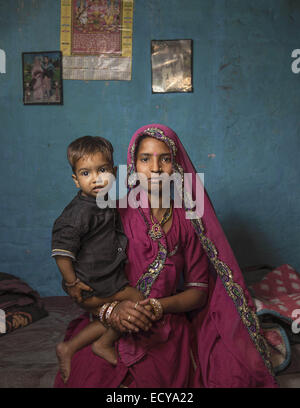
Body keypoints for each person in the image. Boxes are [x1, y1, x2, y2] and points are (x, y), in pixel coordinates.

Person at [54, 124, 278, 388]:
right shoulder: (111, 214)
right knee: (92, 377)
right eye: (145, 159)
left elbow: (198, 291)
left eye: (165, 159)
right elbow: (82, 282)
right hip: (112, 323)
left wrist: (159, 306)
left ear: (178, 166)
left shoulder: (189, 220)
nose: (156, 168)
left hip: (166, 326)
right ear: (133, 165)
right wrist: (113, 311)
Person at [52, 136, 155, 384]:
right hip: (92, 282)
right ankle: (102, 343)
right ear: (76, 180)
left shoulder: (104, 201)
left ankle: (72, 347)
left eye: (103, 170)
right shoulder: (78, 214)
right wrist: (72, 282)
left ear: (113, 172)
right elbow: (61, 252)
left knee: (108, 315)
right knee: (136, 301)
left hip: (107, 276)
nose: (97, 178)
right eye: (86, 173)